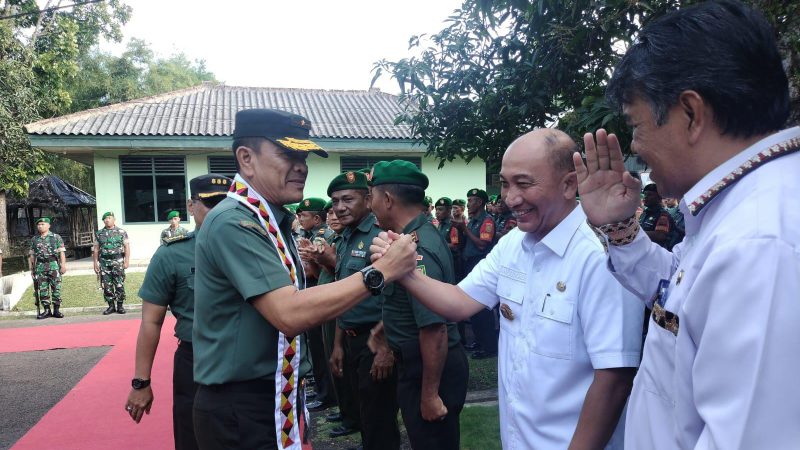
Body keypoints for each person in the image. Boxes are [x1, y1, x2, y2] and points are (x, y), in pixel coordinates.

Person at [574, 2, 800, 448]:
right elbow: (683, 302)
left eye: (636, 126)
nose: (636, 149)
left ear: (691, 114)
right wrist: (620, 230)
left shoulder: (757, 242)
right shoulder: (741, 212)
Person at [373, 128, 644, 449]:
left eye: (524, 183)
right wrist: (403, 272)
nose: (510, 197)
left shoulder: (601, 255)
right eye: (504, 183)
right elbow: (459, 302)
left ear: (569, 184)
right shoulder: (514, 244)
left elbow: (614, 378)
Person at [191, 109, 416, 450]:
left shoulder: (271, 221)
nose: (301, 165)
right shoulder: (235, 222)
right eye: (288, 154)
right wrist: (381, 272)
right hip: (241, 405)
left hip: (274, 391)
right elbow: (289, 313)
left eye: (304, 155)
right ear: (246, 158)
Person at [124, 174, 230, 450]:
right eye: (209, 204)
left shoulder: (257, 247)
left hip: (247, 362)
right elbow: (150, 321)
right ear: (191, 206)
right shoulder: (172, 255)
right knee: (193, 436)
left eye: (225, 203)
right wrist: (140, 382)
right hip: (195, 361)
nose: (218, 211)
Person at [368, 160, 468, 449]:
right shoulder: (411, 239)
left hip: (429, 368)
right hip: (421, 363)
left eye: (371, 195)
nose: (370, 203)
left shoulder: (417, 250)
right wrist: (387, 327)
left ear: (387, 199)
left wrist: (429, 394)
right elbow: (414, 306)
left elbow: (434, 328)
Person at [327, 170, 401, 448]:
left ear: (368, 199)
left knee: (379, 417)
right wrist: (337, 344)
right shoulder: (345, 238)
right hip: (350, 339)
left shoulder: (382, 236)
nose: (340, 207)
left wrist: (387, 348)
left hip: (375, 342)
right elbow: (341, 295)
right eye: (335, 201)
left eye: (347, 199)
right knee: (365, 414)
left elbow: (397, 298)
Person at [295, 196, 336, 412]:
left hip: (319, 292)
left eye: (304, 215)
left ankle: (327, 394)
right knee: (317, 348)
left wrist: (310, 259)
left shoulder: (322, 236)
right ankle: (322, 390)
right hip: (311, 293)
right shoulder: (308, 236)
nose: (300, 219)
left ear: (317, 219)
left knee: (323, 348)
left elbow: (315, 272)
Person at [457, 188, 497, 359]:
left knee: (482, 308)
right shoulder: (473, 221)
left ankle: (489, 346)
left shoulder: (486, 221)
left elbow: (482, 245)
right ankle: (479, 341)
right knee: (472, 306)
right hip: (469, 264)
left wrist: (464, 230)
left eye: (471, 200)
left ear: (480, 202)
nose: (468, 204)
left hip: (480, 263)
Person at [29, 217, 67, 319]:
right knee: (43, 289)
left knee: (56, 288)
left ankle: (56, 310)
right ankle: (46, 310)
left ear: (49, 225)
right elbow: (32, 255)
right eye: (39, 224)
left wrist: (63, 265)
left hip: (53, 266)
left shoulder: (56, 237)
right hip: (40, 267)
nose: (40, 226)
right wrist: (32, 269)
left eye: (43, 224)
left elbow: (62, 252)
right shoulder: (34, 239)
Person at [93, 212, 130, 315]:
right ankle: (111, 306)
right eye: (105, 219)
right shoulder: (99, 233)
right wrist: (95, 263)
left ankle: (120, 306)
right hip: (104, 263)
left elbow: (127, 247)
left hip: (117, 262)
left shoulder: (121, 232)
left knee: (119, 283)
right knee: (106, 285)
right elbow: (96, 249)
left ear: (114, 219)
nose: (107, 220)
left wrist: (126, 261)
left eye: (109, 218)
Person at [638, 184, 681, 250]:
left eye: (649, 195)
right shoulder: (644, 213)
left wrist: (637, 233)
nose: (645, 197)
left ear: (659, 197)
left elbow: (660, 235)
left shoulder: (663, 215)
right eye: (645, 194)